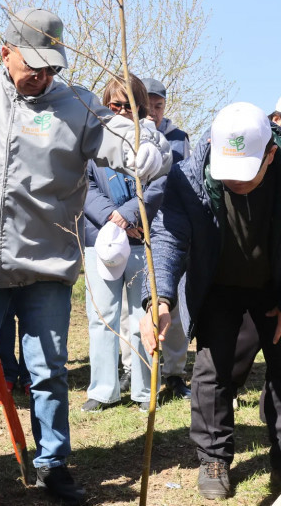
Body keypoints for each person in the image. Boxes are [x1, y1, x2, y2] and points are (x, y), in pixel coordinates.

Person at [0, 8, 171, 503]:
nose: (41, 76)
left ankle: (53, 464)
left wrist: (151, 148)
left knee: (48, 371)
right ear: (6, 52)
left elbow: (124, 136)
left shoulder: (77, 106)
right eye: (32, 64)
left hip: (46, 269)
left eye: (51, 66)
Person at [140, 102, 281, 503]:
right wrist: (159, 298)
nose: (237, 183)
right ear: (212, 146)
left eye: (247, 174)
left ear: (271, 153)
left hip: (279, 287)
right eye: (228, 175)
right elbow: (169, 236)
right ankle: (213, 458)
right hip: (219, 286)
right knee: (212, 370)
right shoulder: (188, 176)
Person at [79, 75, 164, 413]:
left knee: (140, 316)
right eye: (115, 105)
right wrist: (113, 217)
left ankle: (145, 391)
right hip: (100, 237)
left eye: (131, 106)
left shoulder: (154, 139)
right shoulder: (92, 137)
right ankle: (102, 390)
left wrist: (131, 215)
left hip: (143, 238)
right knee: (102, 315)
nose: (123, 112)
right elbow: (82, 184)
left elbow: (161, 184)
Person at [140, 77, 191, 402]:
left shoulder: (178, 138)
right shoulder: (125, 134)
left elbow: (179, 180)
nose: (155, 112)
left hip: (171, 229)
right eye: (149, 106)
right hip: (134, 229)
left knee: (173, 306)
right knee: (142, 310)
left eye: (159, 106)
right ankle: (140, 374)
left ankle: (174, 373)